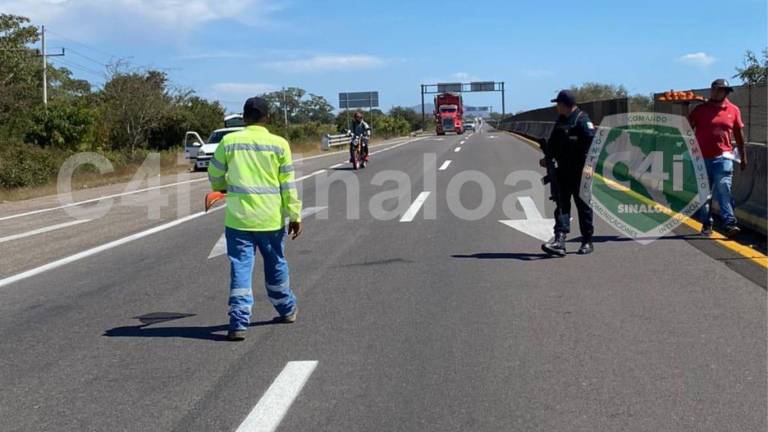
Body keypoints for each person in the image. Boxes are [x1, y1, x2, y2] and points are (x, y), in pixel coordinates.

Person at [208, 96, 303, 342]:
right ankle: (286, 308)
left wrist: (222, 186)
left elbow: (215, 173)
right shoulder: (279, 144)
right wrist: (294, 214)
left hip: (238, 220)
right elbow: (288, 184)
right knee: (276, 264)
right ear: (267, 118)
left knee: (240, 267)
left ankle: (238, 322)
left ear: (244, 117)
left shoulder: (229, 141)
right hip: (270, 220)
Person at [688, 79, 747, 237]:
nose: (716, 92)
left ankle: (729, 223)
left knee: (724, 189)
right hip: (701, 158)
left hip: (723, 157)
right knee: (704, 194)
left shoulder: (733, 110)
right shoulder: (700, 109)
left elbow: (739, 135)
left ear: (726, 92)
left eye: (720, 90)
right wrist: (685, 108)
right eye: (714, 89)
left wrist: (743, 155)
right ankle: (707, 224)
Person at [540, 90, 596, 257]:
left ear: (565, 105)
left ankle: (587, 241)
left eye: (558, 104)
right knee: (561, 205)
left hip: (580, 172)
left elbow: (593, 147)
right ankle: (560, 241)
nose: (556, 107)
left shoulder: (582, 120)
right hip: (562, 171)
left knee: (583, 207)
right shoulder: (561, 120)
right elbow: (554, 143)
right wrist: (547, 158)